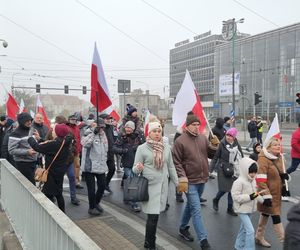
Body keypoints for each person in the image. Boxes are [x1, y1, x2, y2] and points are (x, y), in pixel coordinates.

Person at [132, 120, 178, 250]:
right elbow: (134, 169)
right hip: (150, 187)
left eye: (159, 131)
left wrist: (177, 183)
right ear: (149, 133)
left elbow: (171, 166)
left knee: (154, 217)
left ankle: (148, 241)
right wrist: (138, 167)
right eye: (154, 131)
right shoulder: (142, 148)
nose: (157, 134)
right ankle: (151, 244)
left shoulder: (166, 147)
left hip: (162, 187)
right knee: (152, 217)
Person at [173, 112, 212, 250]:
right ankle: (203, 240)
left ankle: (183, 228)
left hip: (202, 179)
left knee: (190, 206)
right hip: (188, 181)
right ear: (187, 126)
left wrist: (214, 145)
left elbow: (211, 154)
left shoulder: (203, 138)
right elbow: (176, 162)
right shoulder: (180, 141)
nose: (196, 127)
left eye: (198, 124)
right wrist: (182, 177)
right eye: (193, 125)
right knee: (196, 209)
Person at [28, 123, 72, 212]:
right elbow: (49, 146)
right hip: (60, 172)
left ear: (57, 132)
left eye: (53, 130)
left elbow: (37, 147)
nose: (52, 131)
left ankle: (50, 215)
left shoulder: (55, 144)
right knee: (58, 194)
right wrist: (39, 139)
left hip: (51, 174)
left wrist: (30, 138)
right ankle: (62, 213)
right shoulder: (65, 141)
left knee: (47, 194)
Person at [255, 137, 289, 247]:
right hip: (268, 194)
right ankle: (286, 243)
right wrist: (266, 196)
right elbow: (260, 180)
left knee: (265, 214)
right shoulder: (263, 159)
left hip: (276, 194)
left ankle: (259, 237)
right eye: (275, 145)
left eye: (279, 145)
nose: (278, 146)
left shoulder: (279, 158)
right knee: (276, 216)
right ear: (268, 147)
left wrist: (284, 185)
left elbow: (279, 176)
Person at [231, 158, 264, 250]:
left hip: (250, 209)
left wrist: (263, 200)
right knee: (250, 231)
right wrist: (250, 196)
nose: (253, 174)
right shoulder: (238, 182)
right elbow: (236, 197)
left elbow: (255, 194)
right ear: (245, 170)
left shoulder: (252, 180)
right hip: (242, 210)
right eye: (251, 172)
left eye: (255, 172)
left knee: (244, 229)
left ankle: (238, 246)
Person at [210, 128, 243, 216]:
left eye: (231, 136)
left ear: (234, 137)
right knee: (224, 189)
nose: (228, 137)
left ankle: (229, 208)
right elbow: (216, 157)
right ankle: (216, 199)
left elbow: (241, 156)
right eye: (227, 135)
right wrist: (210, 169)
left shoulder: (236, 144)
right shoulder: (222, 144)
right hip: (223, 168)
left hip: (233, 169)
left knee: (232, 190)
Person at [113, 120, 145, 212]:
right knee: (132, 180)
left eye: (130, 127)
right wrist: (123, 150)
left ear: (133, 128)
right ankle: (134, 203)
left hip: (136, 162)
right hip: (127, 162)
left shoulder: (138, 136)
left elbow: (144, 146)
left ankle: (127, 197)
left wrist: (138, 149)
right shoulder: (122, 136)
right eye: (126, 127)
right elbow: (115, 147)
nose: (128, 129)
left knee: (133, 180)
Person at [81, 118, 108, 216]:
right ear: (95, 126)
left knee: (102, 185)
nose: (101, 129)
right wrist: (93, 134)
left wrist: (105, 161)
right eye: (100, 127)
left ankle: (96, 203)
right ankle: (91, 207)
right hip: (90, 166)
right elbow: (84, 144)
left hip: (100, 166)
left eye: (103, 127)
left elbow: (105, 149)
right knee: (91, 189)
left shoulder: (103, 134)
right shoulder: (87, 132)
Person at [8, 113, 38, 185]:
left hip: (33, 162)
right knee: (29, 186)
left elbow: (34, 144)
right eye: (27, 121)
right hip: (22, 164)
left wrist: (38, 139)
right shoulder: (15, 133)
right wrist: (27, 152)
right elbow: (11, 150)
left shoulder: (32, 130)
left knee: (32, 185)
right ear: (21, 121)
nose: (29, 122)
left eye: (30, 120)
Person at [99, 113, 115, 193]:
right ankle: (101, 188)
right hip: (102, 154)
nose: (109, 120)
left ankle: (106, 184)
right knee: (102, 172)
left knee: (112, 169)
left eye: (109, 118)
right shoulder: (100, 129)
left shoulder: (111, 127)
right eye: (107, 119)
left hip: (110, 153)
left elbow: (112, 138)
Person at [67, 114, 83, 189]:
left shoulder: (77, 128)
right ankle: (72, 181)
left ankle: (77, 182)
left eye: (75, 120)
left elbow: (79, 139)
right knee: (70, 167)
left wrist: (79, 148)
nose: (74, 121)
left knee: (77, 166)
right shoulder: (67, 128)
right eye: (72, 119)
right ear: (69, 120)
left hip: (76, 151)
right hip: (69, 151)